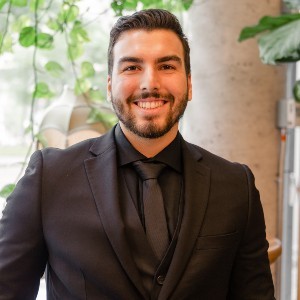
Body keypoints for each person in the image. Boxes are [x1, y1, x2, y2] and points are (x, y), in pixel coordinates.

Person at [0, 9, 275, 300]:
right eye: (131, 67)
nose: (150, 84)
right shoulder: (49, 178)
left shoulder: (235, 185)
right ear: (109, 86)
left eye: (167, 66)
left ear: (190, 83)